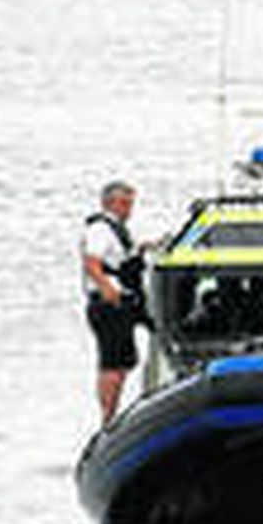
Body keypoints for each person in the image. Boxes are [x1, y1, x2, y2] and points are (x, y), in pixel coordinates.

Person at [81, 180, 147, 426]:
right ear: (112, 203)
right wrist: (106, 288)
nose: (130, 209)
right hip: (108, 304)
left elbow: (122, 257)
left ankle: (116, 411)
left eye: (131, 203)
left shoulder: (118, 230)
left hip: (126, 302)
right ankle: (107, 418)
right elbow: (92, 262)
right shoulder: (99, 229)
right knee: (112, 363)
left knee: (124, 361)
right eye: (126, 203)